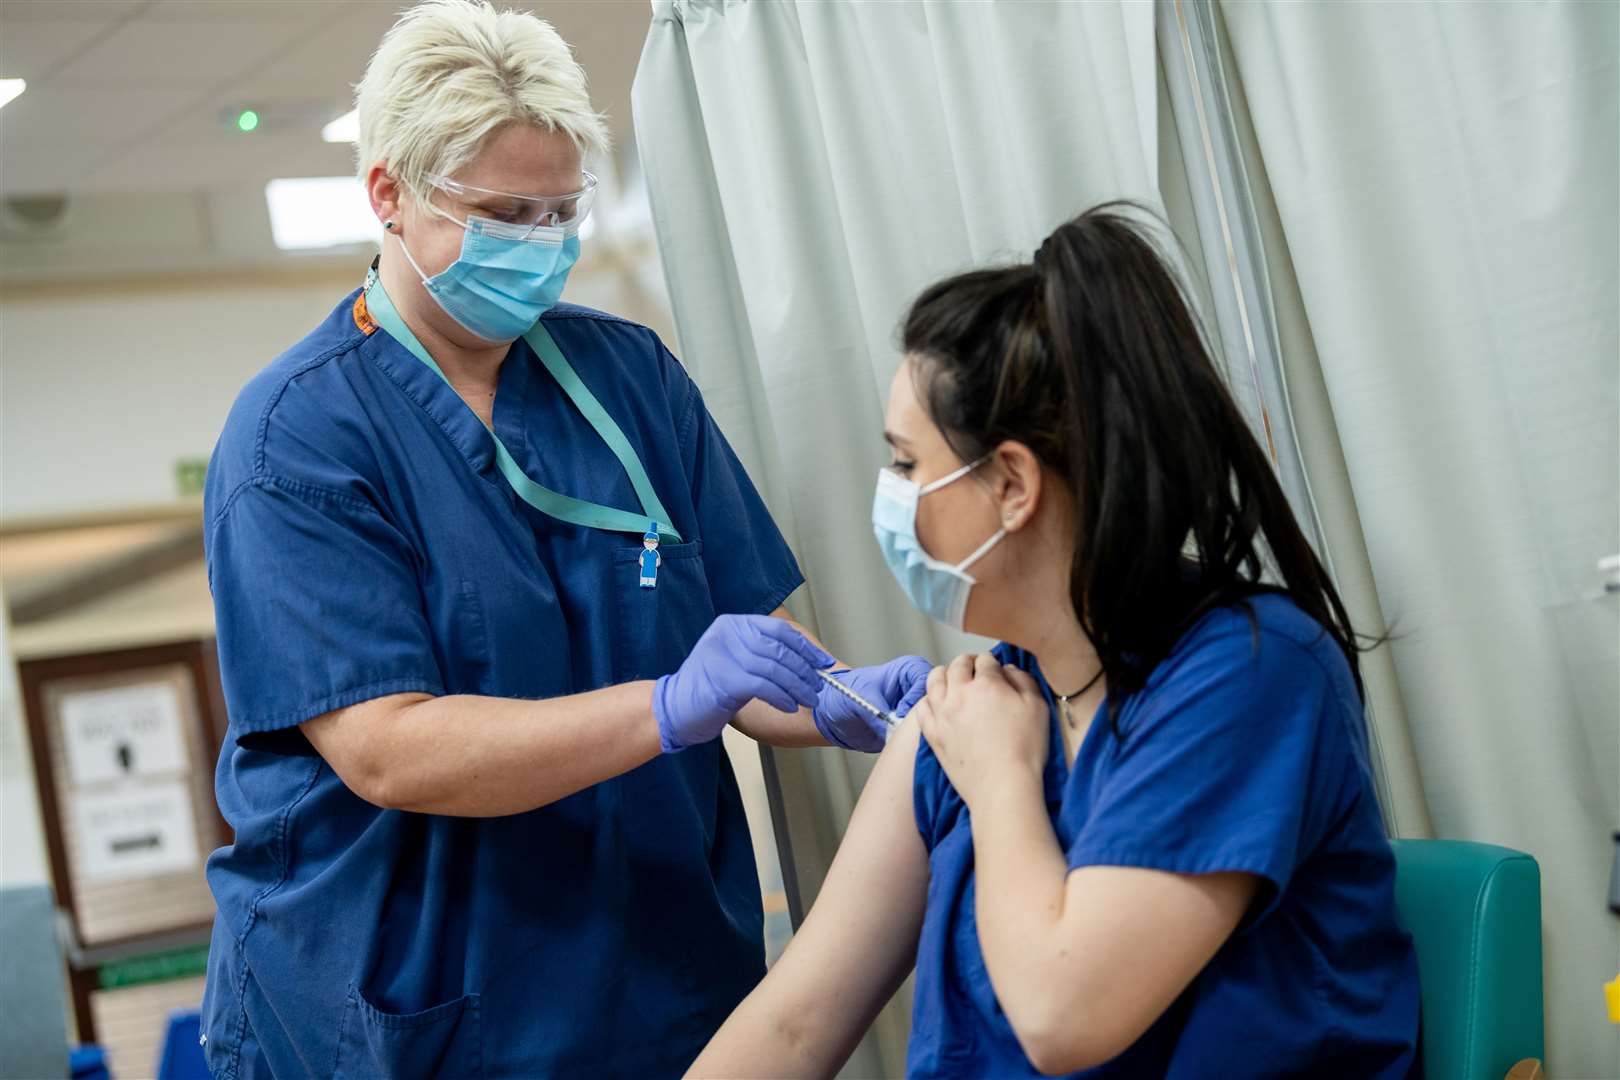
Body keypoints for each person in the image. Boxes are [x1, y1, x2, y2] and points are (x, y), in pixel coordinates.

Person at [197, 2, 929, 1076]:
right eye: (504, 214)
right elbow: (392, 751)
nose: (540, 247)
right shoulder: (297, 440)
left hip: (659, 978)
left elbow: (754, 656)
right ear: (389, 195)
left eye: (559, 212)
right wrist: (670, 707)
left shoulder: (631, 381)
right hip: (411, 997)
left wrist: (845, 700)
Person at [689, 205, 1421, 1078]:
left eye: (907, 464)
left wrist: (1002, 783)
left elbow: (1062, 1015)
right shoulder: (977, 706)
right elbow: (795, 1026)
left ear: (1011, 485)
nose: (890, 496)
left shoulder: (1248, 679)